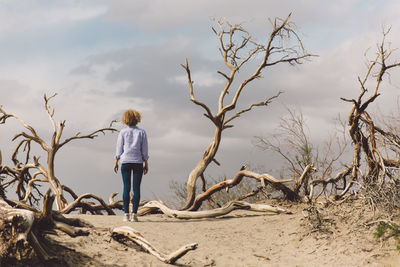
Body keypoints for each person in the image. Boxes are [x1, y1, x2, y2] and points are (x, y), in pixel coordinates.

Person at [114, 109, 149, 222]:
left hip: (125, 161)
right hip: (138, 162)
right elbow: (144, 149)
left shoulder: (123, 132)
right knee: (136, 188)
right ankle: (134, 214)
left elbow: (119, 148)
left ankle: (125, 214)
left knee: (126, 188)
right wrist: (146, 162)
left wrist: (116, 160)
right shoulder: (142, 132)